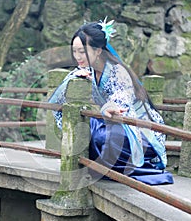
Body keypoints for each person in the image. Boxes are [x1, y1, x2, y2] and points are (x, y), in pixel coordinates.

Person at [48, 18, 174, 185]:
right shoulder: (86, 70)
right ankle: (99, 165)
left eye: (82, 51)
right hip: (114, 125)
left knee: (100, 135)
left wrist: (109, 107)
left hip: (140, 131)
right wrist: (73, 79)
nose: (77, 57)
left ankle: (116, 166)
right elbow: (57, 100)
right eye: (75, 51)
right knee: (85, 124)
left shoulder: (118, 72)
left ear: (98, 51)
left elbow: (122, 99)